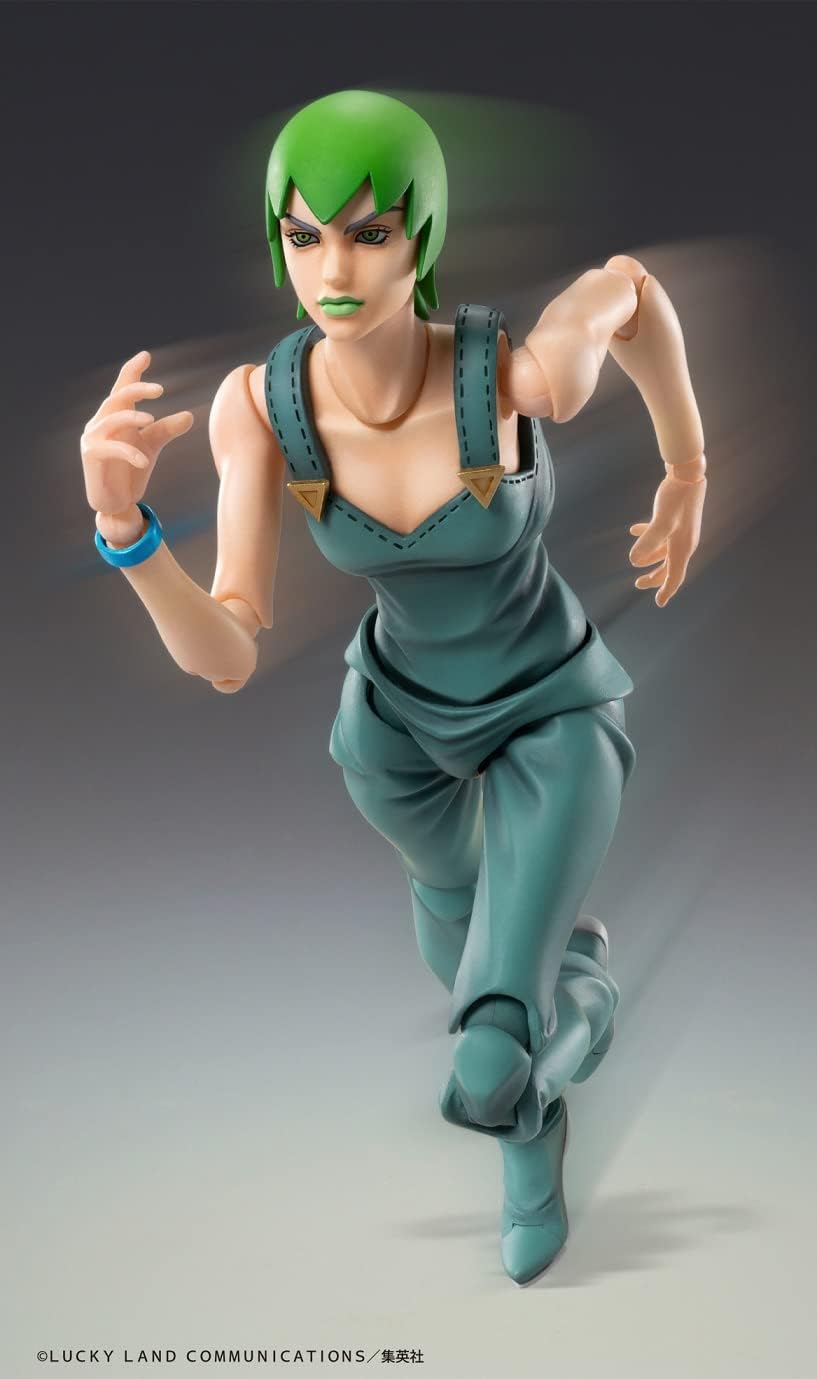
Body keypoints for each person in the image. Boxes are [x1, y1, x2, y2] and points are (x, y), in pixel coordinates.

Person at [80, 90, 706, 1286]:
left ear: (422, 237)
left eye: (369, 233)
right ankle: (559, 1002)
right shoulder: (261, 407)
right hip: (396, 734)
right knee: (470, 945)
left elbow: (626, 288)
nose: (334, 268)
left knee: (490, 1045)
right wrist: (125, 532)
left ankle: (531, 1096)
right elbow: (227, 651)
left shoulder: (513, 375)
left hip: (549, 709)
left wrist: (686, 465)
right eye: (304, 235)